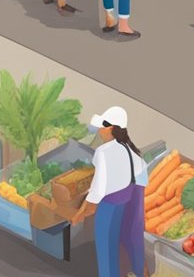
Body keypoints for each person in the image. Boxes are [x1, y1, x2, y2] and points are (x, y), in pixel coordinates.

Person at [72, 106, 149, 277]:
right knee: (133, 238)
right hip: (135, 193)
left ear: (112, 129)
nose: (100, 130)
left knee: (107, 245)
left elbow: (99, 187)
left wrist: (83, 212)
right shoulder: (132, 151)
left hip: (113, 201)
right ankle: (141, 273)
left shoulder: (104, 152)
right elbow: (142, 176)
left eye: (103, 126)